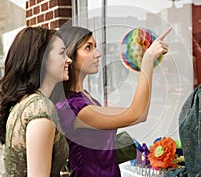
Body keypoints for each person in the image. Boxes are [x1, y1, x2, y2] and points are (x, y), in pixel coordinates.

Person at [52, 23, 171, 177]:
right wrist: (147, 60)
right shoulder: (73, 107)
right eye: (88, 47)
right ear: (70, 55)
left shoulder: (87, 97)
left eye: (96, 46)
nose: (98, 54)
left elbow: (137, 112)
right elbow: (137, 114)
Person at [0, 27, 72, 176]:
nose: (68, 60)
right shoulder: (41, 109)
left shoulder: (24, 102)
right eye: (62, 53)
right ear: (41, 59)